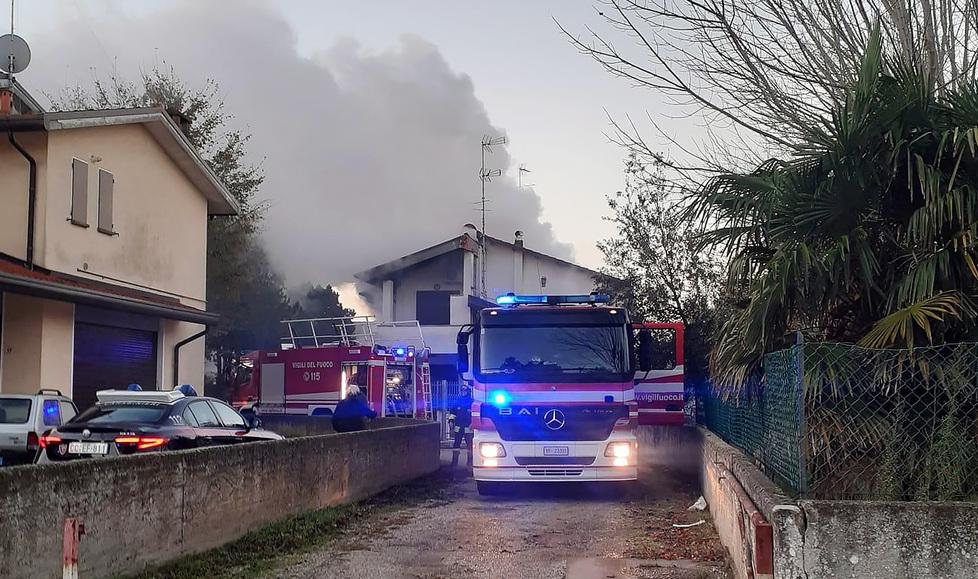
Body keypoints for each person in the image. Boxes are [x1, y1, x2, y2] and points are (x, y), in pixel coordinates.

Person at [450, 384, 474, 468]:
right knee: (456, 446)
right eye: (462, 390)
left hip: (469, 427)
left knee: (470, 447)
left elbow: (474, 414)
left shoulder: (472, 402)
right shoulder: (458, 401)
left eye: (465, 390)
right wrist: (451, 421)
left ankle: (470, 463)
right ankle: (454, 463)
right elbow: (452, 413)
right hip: (458, 427)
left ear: (468, 391)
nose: (463, 392)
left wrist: (473, 423)